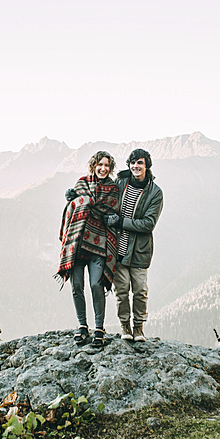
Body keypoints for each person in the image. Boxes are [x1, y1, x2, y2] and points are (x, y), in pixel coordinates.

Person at [57, 151, 120, 347]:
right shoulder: (81, 183)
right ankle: (82, 326)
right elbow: (73, 208)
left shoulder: (113, 189)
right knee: (76, 286)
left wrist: (113, 218)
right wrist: (71, 200)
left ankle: (99, 328)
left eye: (107, 166)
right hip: (77, 245)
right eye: (100, 164)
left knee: (95, 284)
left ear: (110, 168)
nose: (103, 168)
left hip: (99, 244)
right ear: (93, 165)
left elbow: (115, 212)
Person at [105, 148, 163, 343]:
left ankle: (138, 328)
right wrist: (76, 193)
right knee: (121, 292)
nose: (136, 166)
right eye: (133, 163)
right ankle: (125, 326)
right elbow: (100, 192)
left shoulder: (155, 193)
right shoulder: (121, 183)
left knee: (140, 291)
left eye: (140, 163)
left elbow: (148, 224)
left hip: (139, 251)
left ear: (147, 165)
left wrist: (120, 221)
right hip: (118, 249)